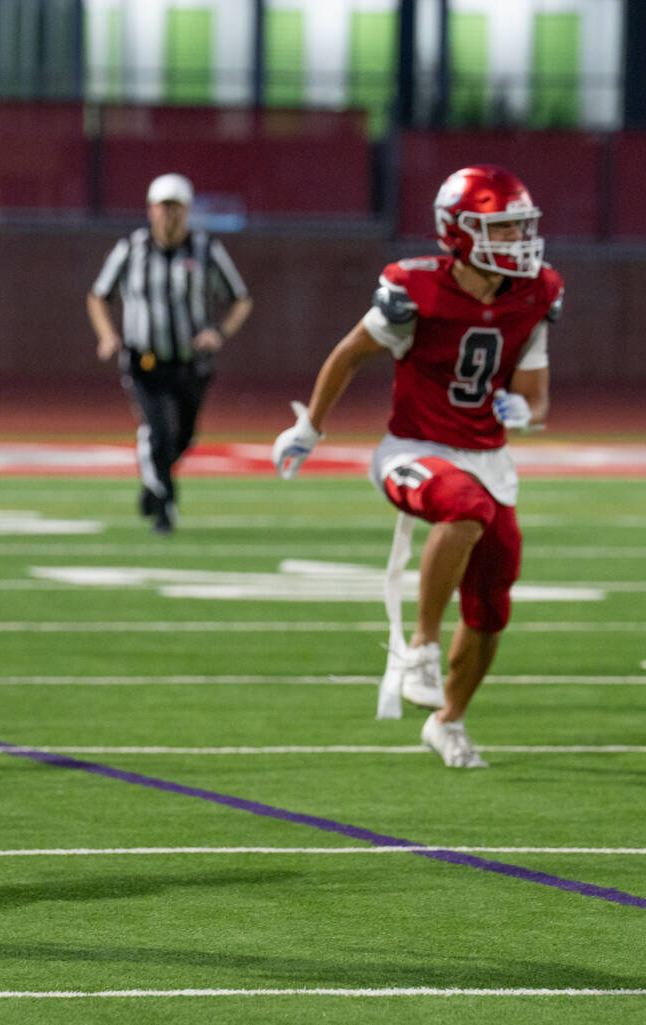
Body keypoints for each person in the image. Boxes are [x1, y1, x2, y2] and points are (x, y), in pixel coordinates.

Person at [272, 164, 563, 769]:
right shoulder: (417, 289)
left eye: (520, 227)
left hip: (489, 459)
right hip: (413, 451)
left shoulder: (534, 292)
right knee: (464, 506)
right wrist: (310, 427)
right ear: (458, 232)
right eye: (502, 228)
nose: (517, 240)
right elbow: (350, 354)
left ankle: (447, 721)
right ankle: (421, 649)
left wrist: (524, 411)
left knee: (491, 607)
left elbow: (536, 399)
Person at [87, 172, 253, 534]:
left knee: (183, 436)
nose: (169, 215)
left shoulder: (207, 249)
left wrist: (219, 332)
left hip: (192, 363)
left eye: (176, 208)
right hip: (144, 361)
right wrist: (107, 335)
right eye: (164, 207)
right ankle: (164, 505)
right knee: (161, 431)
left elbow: (240, 299)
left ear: (188, 211)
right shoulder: (131, 249)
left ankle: (152, 476)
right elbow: (99, 295)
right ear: (151, 209)